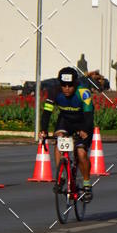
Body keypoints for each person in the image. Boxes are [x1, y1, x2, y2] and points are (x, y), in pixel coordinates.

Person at [39, 66, 94, 201]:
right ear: (60, 84)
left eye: (70, 85)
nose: (67, 88)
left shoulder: (83, 92)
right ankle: (61, 177)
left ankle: (87, 185)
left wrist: (85, 131)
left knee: (81, 153)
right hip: (65, 121)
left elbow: (89, 115)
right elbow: (47, 113)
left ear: (75, 83)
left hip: (82, 122)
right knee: (59, 142)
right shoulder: (54, 92)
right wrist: (43, 130)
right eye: (64, 85)